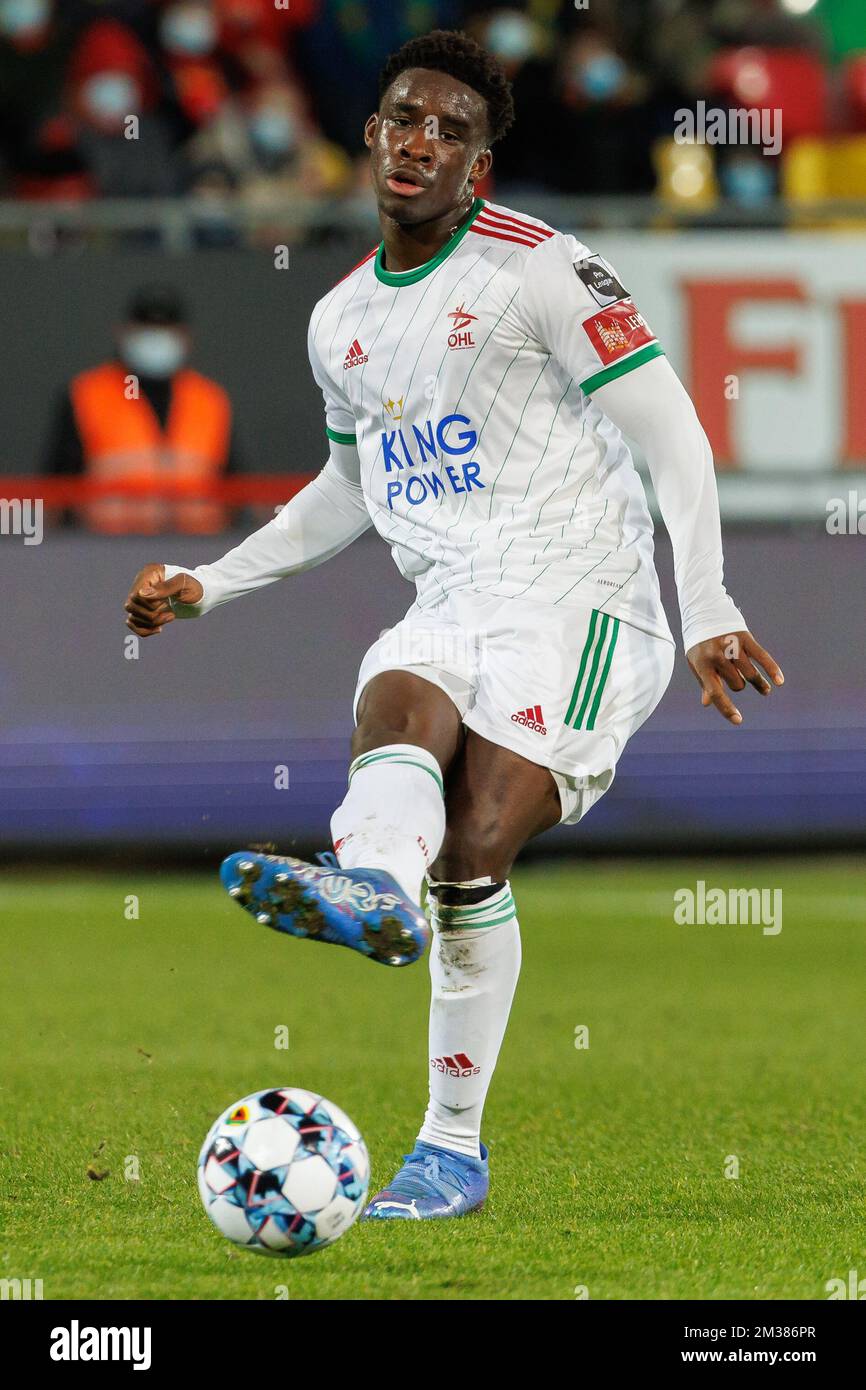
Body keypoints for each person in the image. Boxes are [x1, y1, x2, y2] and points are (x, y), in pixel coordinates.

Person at [124, 29, 784, 1224]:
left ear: (477, 166)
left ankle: (449, 1147)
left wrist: (709, 607)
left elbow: (672, 430)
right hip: (454, 594)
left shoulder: (541, 266)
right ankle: (370, 885)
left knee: (474, 850)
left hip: (586, 599)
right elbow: (344, 490)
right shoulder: (337, 322)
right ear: (368, 137)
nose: (419, 141)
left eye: (449, 130)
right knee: (395, 684)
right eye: (400, 119)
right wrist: (212, 581)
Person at [46, 283, 240, 533]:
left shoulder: (210, 399)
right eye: (146, 327)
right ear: (123, 333)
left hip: (197, 552)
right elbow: (54, 493)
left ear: (185, 337)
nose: (156, 336)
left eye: (165, 327)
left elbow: (237, 493)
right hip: (102, 551)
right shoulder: (86, 393)